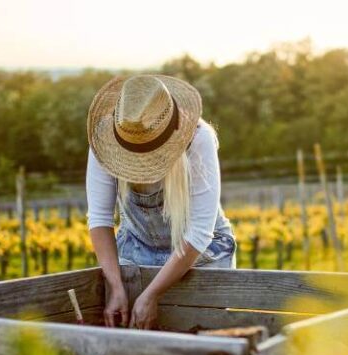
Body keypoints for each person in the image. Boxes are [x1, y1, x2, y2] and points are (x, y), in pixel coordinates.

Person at [85, 74, 235, 330]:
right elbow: (99, 218)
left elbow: (200, 231)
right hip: (136, 248)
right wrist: (116, 285)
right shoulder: (105, 142)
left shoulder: (199, 139)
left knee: (204, 346)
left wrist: (151, 294)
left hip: (200, 254)